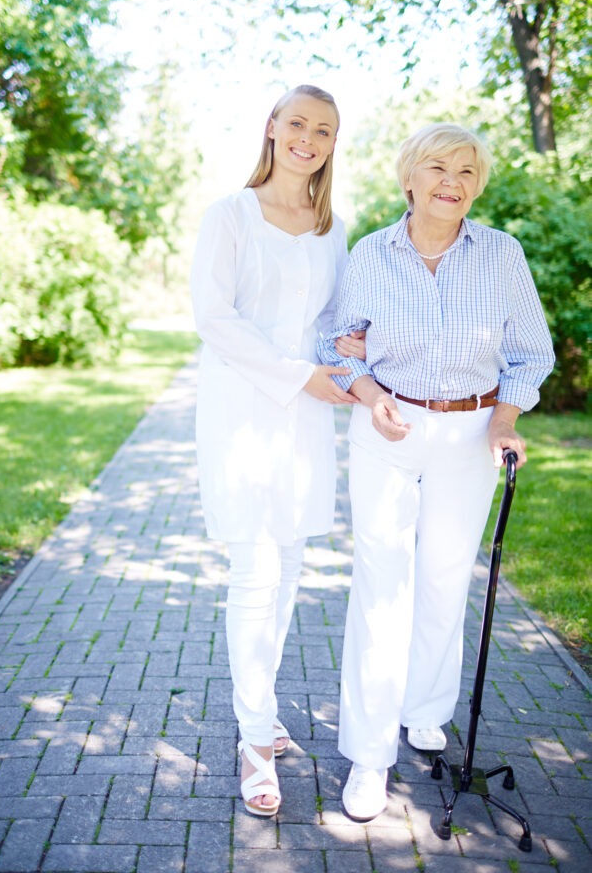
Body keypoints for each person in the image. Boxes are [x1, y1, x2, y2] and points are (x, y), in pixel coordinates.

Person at [318, 122, 555, 823]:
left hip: (471, 430)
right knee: (381, 583)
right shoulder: (370, 254)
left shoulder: (500, 256)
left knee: (446, 575)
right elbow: (334, 344)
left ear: (476, 185)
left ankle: (425, 709)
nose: (452, 180)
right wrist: (367, 394)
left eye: (466, 171)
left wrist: (505, 422)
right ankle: (367, 754)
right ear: (409, 179)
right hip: (389, 426)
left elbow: (530, 354)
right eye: (437, 167)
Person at [190, 85, 364, 818]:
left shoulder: (332, 228)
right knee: (254, 572)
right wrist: (301, 374)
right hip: (242, 415)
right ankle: (254, 740)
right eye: (296, 123)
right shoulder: (228, 215)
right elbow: (213, 317)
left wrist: (346, 349)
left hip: (305, 421)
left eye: (322, 130)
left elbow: (329, 321)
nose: (308, 138)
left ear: (331, 144)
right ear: (271, 128)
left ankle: (257, 710)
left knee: (289, 567)